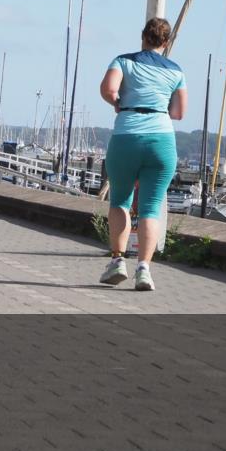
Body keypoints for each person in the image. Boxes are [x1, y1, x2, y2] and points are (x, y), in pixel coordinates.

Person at [98, 17, 187, 292]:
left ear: (142, 37)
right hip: (162, 141)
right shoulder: (176, 71)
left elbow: (108, 90)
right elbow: (179, 113)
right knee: (150, 208)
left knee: (121, 201)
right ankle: (144, 271)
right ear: (167, 42)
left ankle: (117, 261)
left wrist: (119, 103)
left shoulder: (123, 61)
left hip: (127, 135)